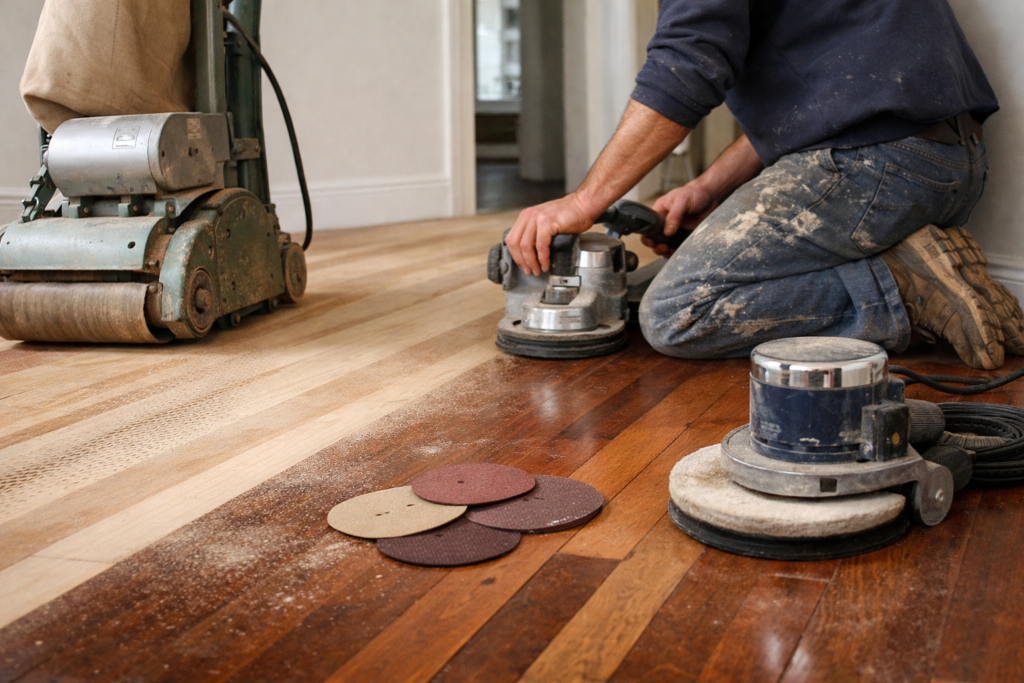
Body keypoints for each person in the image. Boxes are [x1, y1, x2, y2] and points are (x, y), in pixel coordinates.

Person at [505, 0, 1024, 370]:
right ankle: (924, 263)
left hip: (875, 164)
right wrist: (709, 187)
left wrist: (584, 201)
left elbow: (686, 66)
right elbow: (827, 102)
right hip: (955, 163)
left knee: (676, 312)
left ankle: (906, 289)